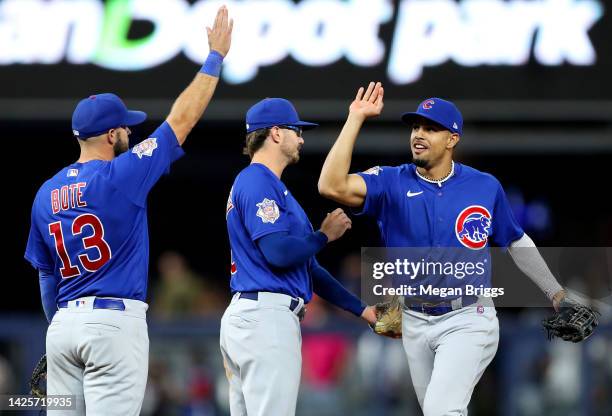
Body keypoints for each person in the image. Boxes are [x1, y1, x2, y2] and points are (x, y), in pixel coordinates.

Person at [23, 6, 233, 415]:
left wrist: (58, 328)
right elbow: (182, 120)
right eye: (126, 128)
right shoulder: (121, 175)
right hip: (113, 324)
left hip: (64, 326)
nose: (131, 132)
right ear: (111, 133)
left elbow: (47, 280)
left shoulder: (46, 193)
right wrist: (215, 58)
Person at [318, 82, 570, 415]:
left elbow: (515, 241)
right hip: (414, 320)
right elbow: (330, 185)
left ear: (452, 140)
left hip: (469, 316)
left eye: (432, 128)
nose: (419, 134)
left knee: (442, 410)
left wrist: (555, 293)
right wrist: (355, 118)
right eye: (416, 126)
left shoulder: (483, 185)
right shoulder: (392, 182)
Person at [221, 97, 377, 416]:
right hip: (265, 319)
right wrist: (324, 235)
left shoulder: (272, 188)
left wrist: (363, 311)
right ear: (276, 133)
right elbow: (278, 253)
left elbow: (311, 270)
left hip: (255, 316)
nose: (302, 138)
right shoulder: (257, 181)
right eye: (296, 130)